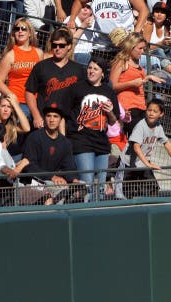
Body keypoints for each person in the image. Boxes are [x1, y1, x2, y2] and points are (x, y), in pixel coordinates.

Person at [66, 57, 118, 201]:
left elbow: (113, 121)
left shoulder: (108, 91)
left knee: (101, 184)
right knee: (87, 182)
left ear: (102, 73)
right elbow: (65, 113)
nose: (91, 71)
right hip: (81, 140)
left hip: (101, 142)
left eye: (95, 69)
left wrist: (110, 112)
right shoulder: (77, 88)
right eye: (89, 68)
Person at [15, 102, 84, 204]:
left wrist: (74, 179)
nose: (52, 120)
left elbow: (69, 167)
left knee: (83, 187)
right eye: (49, 116)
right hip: (35, 181)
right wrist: (52, 176)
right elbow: (29, 166)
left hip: (54, 180)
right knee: (62, 189)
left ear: (61, 120)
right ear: (44, 118)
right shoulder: (34, 137)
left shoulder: (65, 142)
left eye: (55, 116)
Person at [25, 28, 84, 131]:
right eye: (54, 45)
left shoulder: (78, 70)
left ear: (69, 46)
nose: (57, 48)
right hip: (44, 121)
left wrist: (77, 119)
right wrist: (36, 116)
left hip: (68, 123)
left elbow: (83, 97)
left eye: (61, 45)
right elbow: (29, 92)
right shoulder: (41, 66)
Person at [122, 97, 171, 197]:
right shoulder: (141, 126)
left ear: (161, 114)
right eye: (149, 110)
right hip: (129, 164)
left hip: (143, 163)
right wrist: (148, 164)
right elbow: (136, 147)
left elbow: (167, 143)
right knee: (129, 193)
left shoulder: (159, 127)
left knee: (153, 189)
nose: (151, 113)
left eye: (155, 111)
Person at [110, 32, 164, 137]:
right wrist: (132, 83)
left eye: (143, 49)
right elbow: (112, 86)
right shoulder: (121, 62)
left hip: (140, 106)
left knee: (141, 139)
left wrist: (148, 78)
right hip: (127, 107)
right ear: (131, 47)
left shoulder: (138, 65)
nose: (142, 52)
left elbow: (139, 82)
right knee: (136, 138)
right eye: (140, 48)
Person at [0, 18, 43, 116]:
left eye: (24, 28)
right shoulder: (10, 55)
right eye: (17, 29)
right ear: (13, 33)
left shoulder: (39, 53)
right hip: (19, 102)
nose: (20, 31)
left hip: (36, 101)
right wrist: (12, 96)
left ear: (30, 33)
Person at [141, 3, 171, 77]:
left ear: (166, 16)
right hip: (151, 56)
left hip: (165, 55)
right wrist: (161, 43)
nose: (159, 14)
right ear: (153, 14)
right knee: (159, 50)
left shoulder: (166, 26)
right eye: (157, 12)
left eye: (162, 12)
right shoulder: (149, 25)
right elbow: (145, 47)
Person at [0, 94, 30, 161]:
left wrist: (16, 105)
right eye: (3, 106)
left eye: (9, 107)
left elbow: (27, 128)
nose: (6, 109)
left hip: (9, 159)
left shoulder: (11, 125)